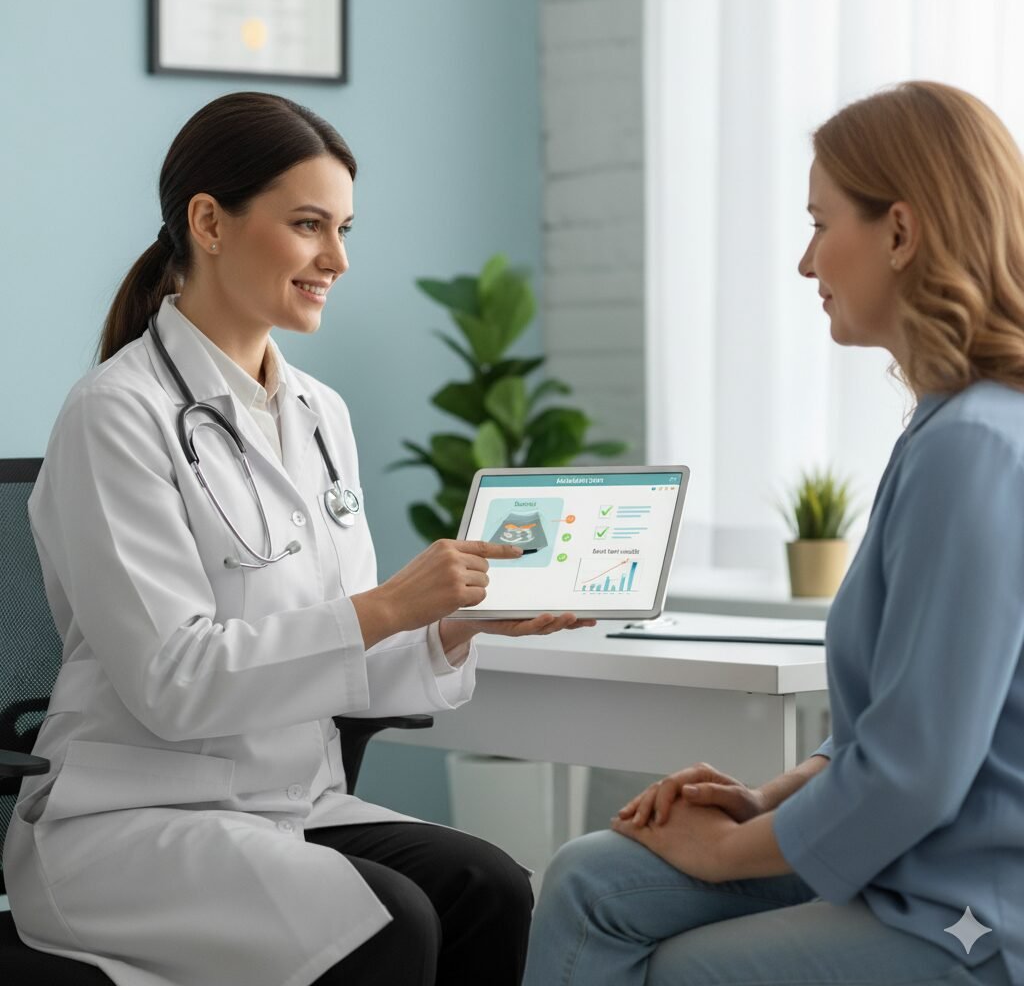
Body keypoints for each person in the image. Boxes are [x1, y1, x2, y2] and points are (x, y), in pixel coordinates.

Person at [3, 91, 594, 986]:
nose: (338, 259)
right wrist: (393, 602)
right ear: (208, 221)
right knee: (384, 924)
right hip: (130, 818)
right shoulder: (115, 415)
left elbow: (349, 664)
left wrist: (449, 627)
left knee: (491, 888)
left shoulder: (320, 416)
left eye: (345, 227)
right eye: (309, 224)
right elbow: (175, 683)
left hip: (283, 804)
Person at [522, 81, 1023, 986]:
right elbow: (901, 720)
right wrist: (768, 797)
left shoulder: (979, 448)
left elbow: (918, 773)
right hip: (917, 864)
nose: (804, 263)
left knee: (678, 968)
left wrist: (729, 850)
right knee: (590, 877)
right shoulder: (946, 427)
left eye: (820, 224)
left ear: (901, 234)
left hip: (976, 911)